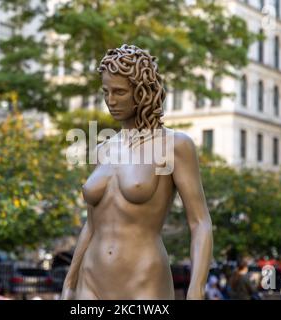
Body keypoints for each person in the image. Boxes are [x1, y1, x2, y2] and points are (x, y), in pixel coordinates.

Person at [61, 44, 213, 300]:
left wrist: (196, 289)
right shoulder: (102, 149)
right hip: (91, 282)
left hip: (143, 280)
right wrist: (70, 282)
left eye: (119, 92)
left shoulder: (174, 146)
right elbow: (92, 225)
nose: (111, 100)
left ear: (142, 92)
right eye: (106, 92)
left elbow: (200, 223)